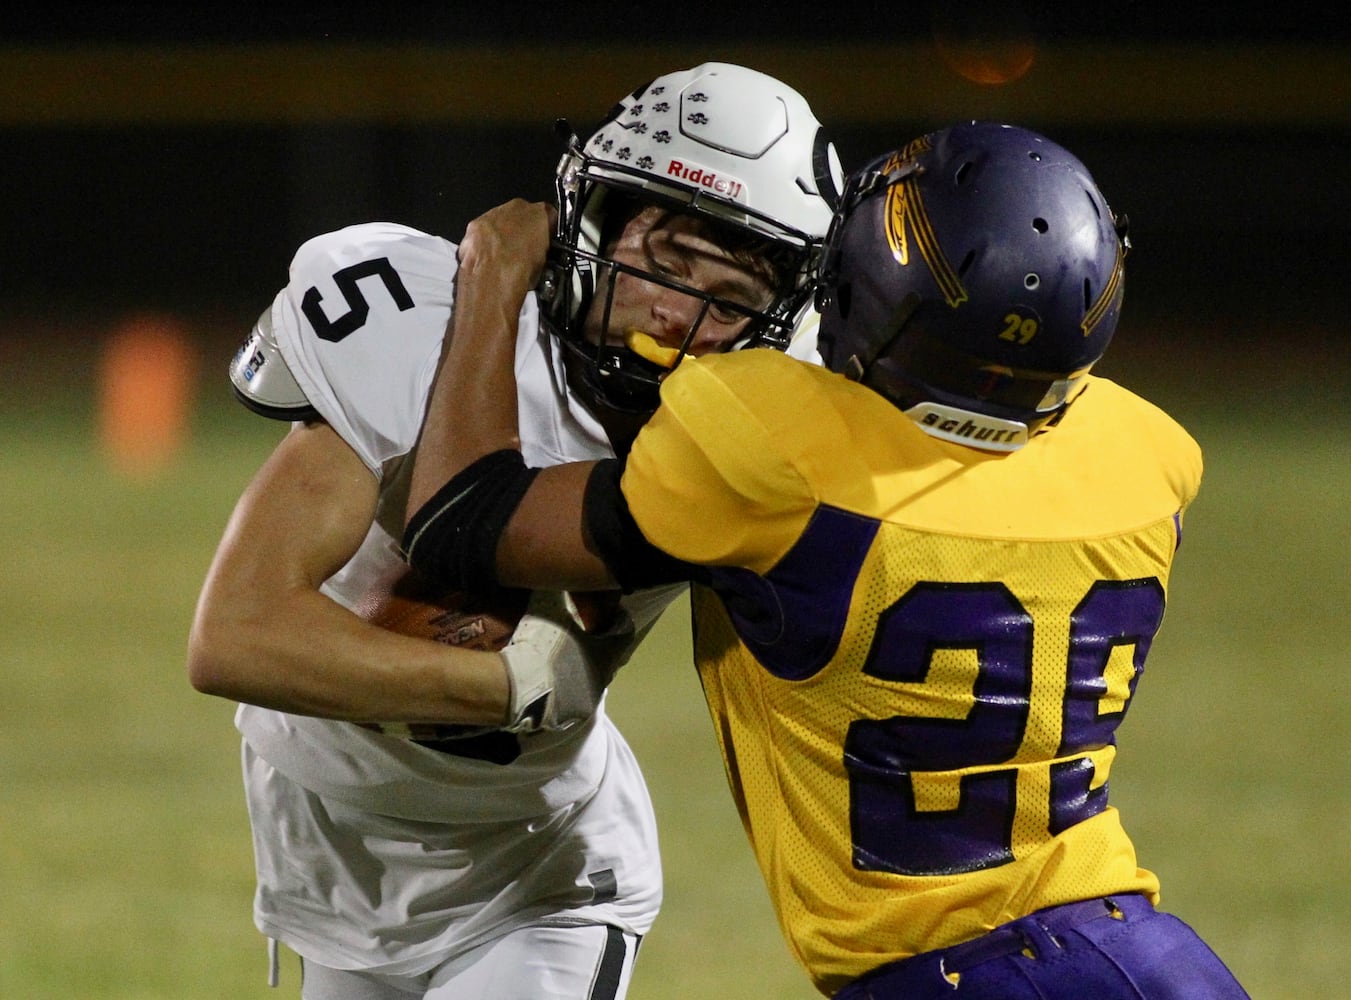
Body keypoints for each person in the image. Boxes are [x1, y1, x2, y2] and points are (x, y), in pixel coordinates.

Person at [400, 122, 1250, 998]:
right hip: (1151, 954)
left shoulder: (774, 450)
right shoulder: (1147, 458)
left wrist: (494, 282)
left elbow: (458, 521)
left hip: (949, 978)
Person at [186, 62, 840, 1000]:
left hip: (539, 873)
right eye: (665, 260)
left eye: (727, 300)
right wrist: (505, 685)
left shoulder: (751, 435)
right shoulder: (415, 321)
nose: (677, 314)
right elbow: (236, 635)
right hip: (326, 851)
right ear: (596, 219)